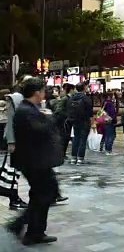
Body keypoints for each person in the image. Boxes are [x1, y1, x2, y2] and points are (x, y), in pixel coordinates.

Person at [7, 78, 62, 245]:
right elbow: (40, 130)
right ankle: (25, 227)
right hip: (34, 162)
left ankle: (33, 231)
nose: (44, 94)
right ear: (37, 92)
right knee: (46, 193)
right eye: (43, 91)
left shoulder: (31, 109)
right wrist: (50, 117)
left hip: (37, 160)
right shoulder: (26, 111)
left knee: (43, 194)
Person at [3, 76, 31, 211]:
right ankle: (13, 198)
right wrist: (11, 141)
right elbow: (10, 121)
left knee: (19, 171)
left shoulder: (26, 97)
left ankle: (15, 198)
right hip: (17, 140)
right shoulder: (14, 98)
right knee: (15, 171)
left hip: (25, 140)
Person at [68, 83, 93, 165]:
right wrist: (92, 122)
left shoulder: (72, 97)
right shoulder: (86, 98)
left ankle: (73, 158)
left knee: (76, 138)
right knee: (83, 139)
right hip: (84, 121)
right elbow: (90, 112)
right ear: (84, 88)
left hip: (75, 121)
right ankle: (80, 158)